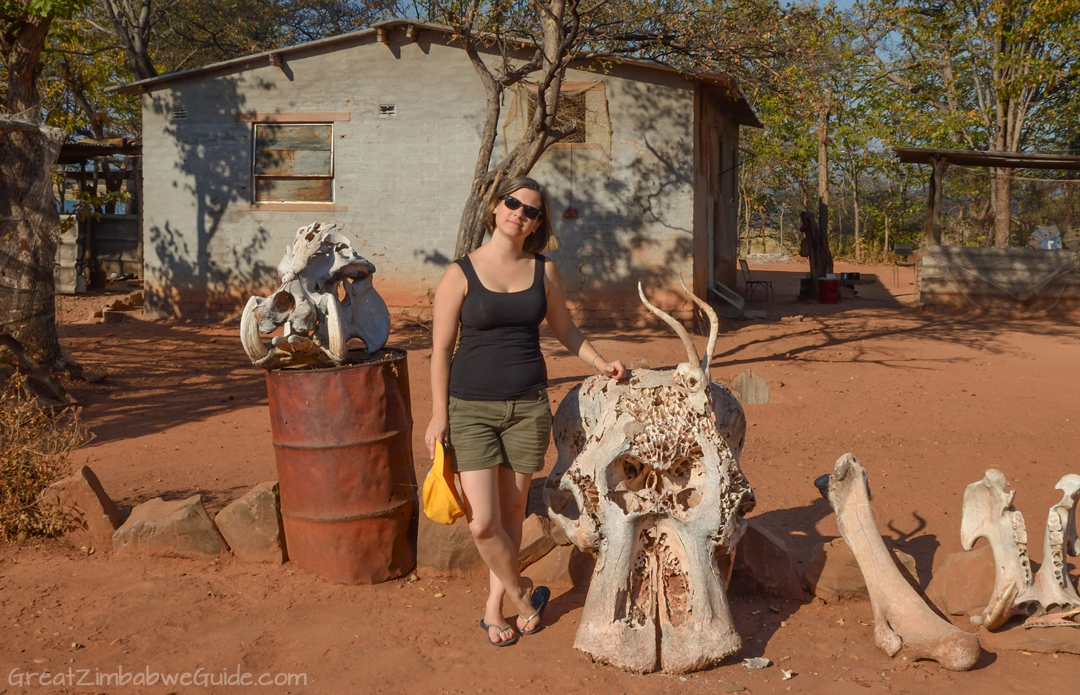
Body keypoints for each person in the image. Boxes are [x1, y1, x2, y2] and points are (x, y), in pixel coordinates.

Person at [424, 176, 627, 646]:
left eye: (531, 210)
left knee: (514, 513)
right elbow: (438, 351)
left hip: (528, 407)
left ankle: (494, 609)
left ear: (538, 224)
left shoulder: (545, 271)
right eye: (513, 203)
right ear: (496, 208)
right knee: (482, 522)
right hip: (470, 408)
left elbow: (566, 329)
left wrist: (602, 363)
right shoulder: (460, 273)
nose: (520, 213)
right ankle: (521, 593)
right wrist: (438, 415)